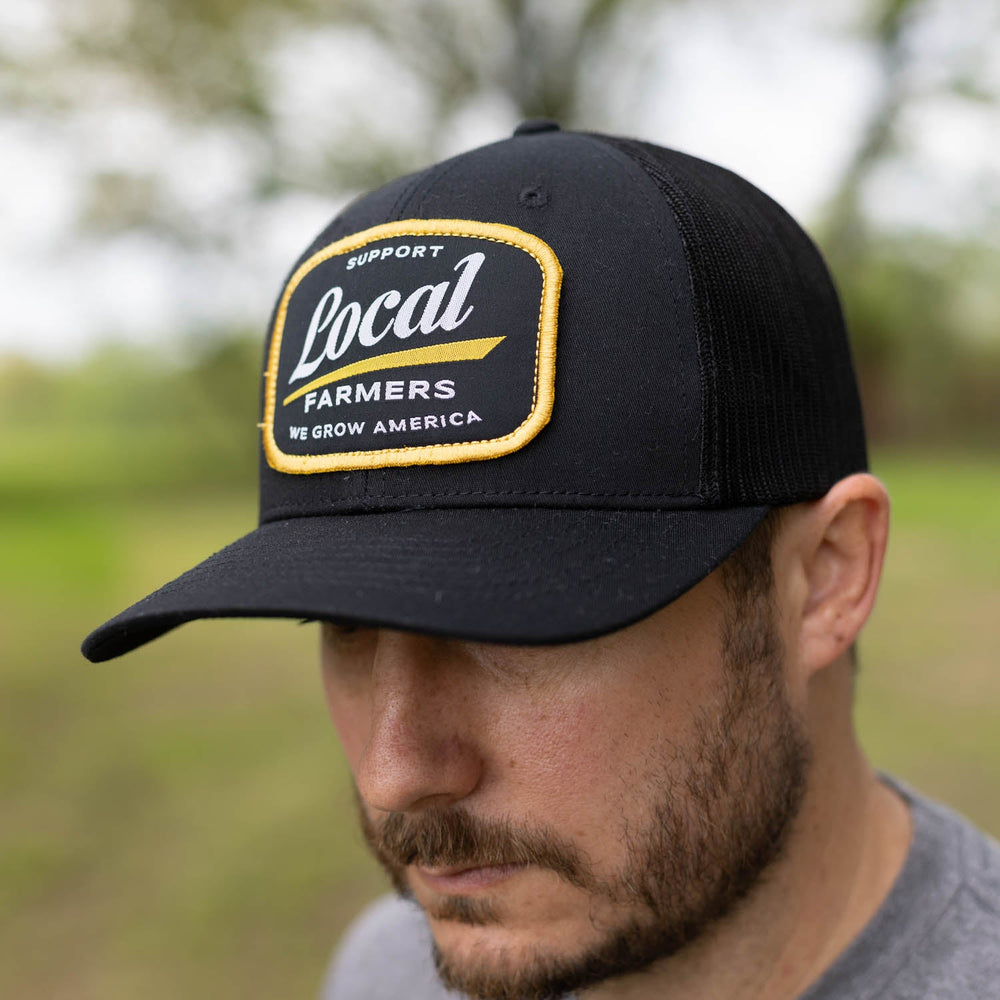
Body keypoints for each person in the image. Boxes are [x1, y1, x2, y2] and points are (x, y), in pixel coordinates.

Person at [83, 121, 1000, 1000]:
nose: (393, 774)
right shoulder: (385, 974)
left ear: (825, 579)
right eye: (348, 623)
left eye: (518, 621)